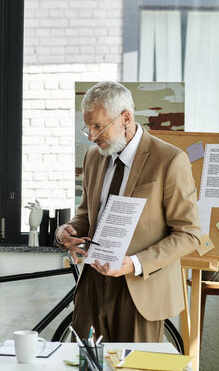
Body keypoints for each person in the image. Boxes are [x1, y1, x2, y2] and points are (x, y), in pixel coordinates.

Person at [55, 81, 200, 342]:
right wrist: (67, 230)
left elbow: (189, 234)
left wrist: (134, 264)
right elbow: (87, 214)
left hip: (140, 288)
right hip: (93, 286)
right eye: (88, 127)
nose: (91, 135)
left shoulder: (170, 160)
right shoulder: (92, 157)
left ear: (126, 118)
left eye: (99, 126)